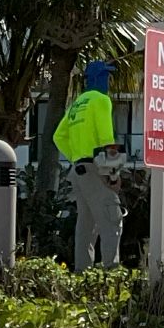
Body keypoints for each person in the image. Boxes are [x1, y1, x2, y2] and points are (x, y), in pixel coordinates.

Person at [55, 60, 124, 273]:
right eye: (106, 76)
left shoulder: (77, 104)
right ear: (98, 78)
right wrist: (112, 174)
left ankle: (82, 275)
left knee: (86, 225)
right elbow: (106, 137)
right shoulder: (101, 100)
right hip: (96, 167)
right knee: (112, 218)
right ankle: (112, 273)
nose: (108, 81)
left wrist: (75, 156)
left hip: (79, 170)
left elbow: (58, 136)